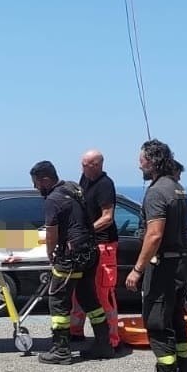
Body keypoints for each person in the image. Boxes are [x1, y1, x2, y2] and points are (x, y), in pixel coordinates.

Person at [125, 139, 187, 372]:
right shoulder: (179, 189)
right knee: (177, 322)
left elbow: (154, 235)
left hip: (163, 267)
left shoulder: (156, 192)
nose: (138, 164)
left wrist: (137, 269)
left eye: (141, 159)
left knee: (157, 324)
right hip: (180, 265)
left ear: (152, 161)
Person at [30, 160, 111, 365]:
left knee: (58, 300)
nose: (36, 187)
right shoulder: (73, 188)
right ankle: (104, 343)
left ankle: (61, 349)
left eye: (37, 183)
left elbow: (51, 232)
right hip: (90, 250)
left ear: (46, 180)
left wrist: (51, 254)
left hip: (72, 256)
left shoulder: (53, 199)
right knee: (88, 297)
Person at [70, 148, 120, 350]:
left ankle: (111, 338)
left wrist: (87, 231)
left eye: (85, 165)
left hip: (103, 243)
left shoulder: (105, 185)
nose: (82, 168)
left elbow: (108, 217)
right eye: (82, 164)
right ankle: (75, 331)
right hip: (86, 243)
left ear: (97, 165)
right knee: (78, 290)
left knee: (102, 292)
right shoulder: (84, 179)